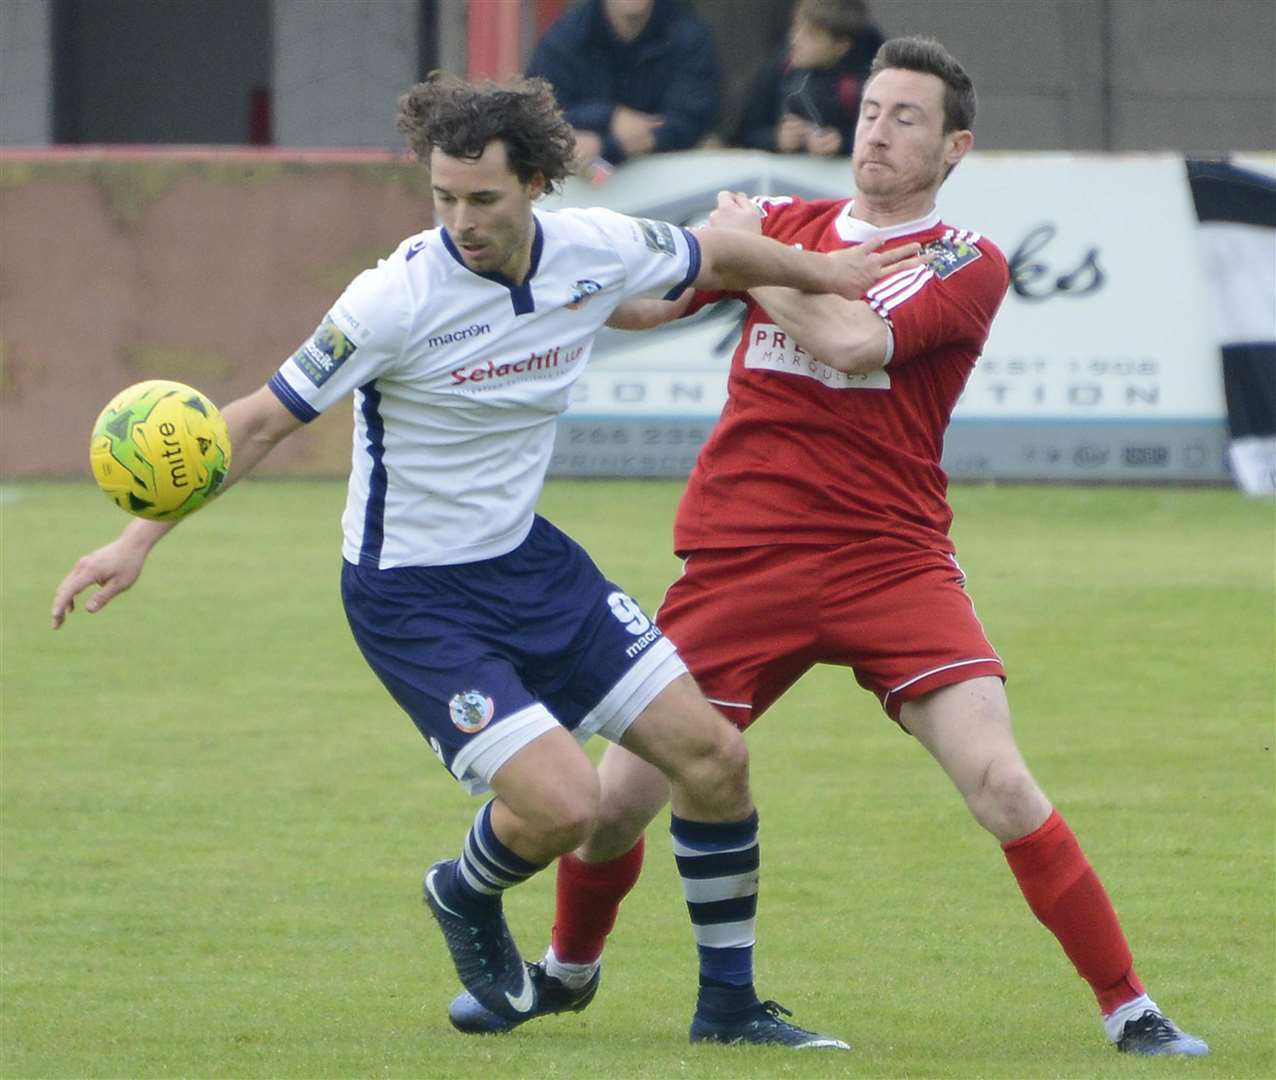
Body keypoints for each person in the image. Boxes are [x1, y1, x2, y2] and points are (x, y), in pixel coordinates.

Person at [49, 73, 927, 1050]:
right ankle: (462, 892)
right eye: (443, 198)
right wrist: (134, 540)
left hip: (531, 564)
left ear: (539, 184)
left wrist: (832, 276)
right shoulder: (392, 298)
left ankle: (728, 1009)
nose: (461, 221)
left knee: (714, 758)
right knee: (565, 807)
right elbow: (252, 424)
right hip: (414, 596)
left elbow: (709, 250)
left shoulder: (596, 244)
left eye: (483, 199)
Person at [448, 39, 1211, 1059]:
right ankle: (565, 973)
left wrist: (746, 256)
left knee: (999, 782)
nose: (878, 131)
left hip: (887, 561)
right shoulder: (786, 228)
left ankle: (1130, 1006)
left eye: (906, 117)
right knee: (612, 807)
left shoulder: (960, 257)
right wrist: (543, 259)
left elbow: (851, 340)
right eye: (870, 112)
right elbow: (640, 305)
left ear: (953, 147)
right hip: (741, 558)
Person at [526, 0, 720, 176]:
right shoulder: (564, 41)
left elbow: (691, 120)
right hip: (579, 186)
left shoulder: (688, 38)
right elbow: (536, 115)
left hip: (670, 181)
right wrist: (609, 117)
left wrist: (607, 146)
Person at [734, 0, 884, 158]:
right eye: (796, 27)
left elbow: (888, 140)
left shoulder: (872, 82)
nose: (795, 39)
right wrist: (775, 138)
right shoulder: (779, 69)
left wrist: (842, 142)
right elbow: (744, 134)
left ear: (840, 46)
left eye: (811, 35)